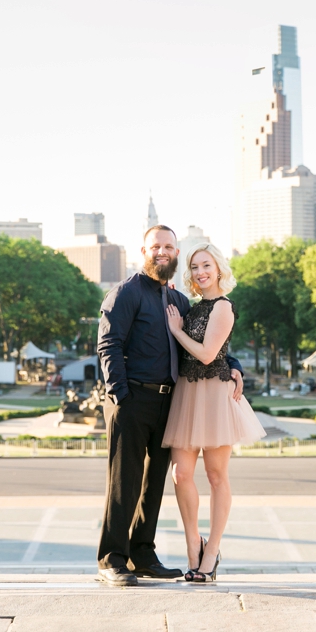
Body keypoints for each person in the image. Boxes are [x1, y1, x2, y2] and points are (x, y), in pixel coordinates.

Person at [95, 226, 245, 587]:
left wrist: (236, 366)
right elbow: (108, 344)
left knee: (155, 483)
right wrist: (120, 395)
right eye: (155, 247)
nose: (162, 252)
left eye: (168, 247)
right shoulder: (125, 293)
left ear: (176, 252)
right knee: (124, 481)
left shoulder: (178, 301)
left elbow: (207, 344)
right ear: (143, 250)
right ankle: (112, 559)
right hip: (131, 399)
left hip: (170, 402)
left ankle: (143, 554)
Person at [163, 243, 266, 582]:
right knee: (181, 475)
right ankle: (194, 543)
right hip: (188, 394)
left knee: (217, 476)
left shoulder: (223, 307)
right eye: (194, 267)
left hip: (216, 396)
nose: (200, 272)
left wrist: (177, 331)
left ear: (219, 268)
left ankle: (212, 551)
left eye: (206, 265)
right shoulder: (193, 308)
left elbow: (209, 355)